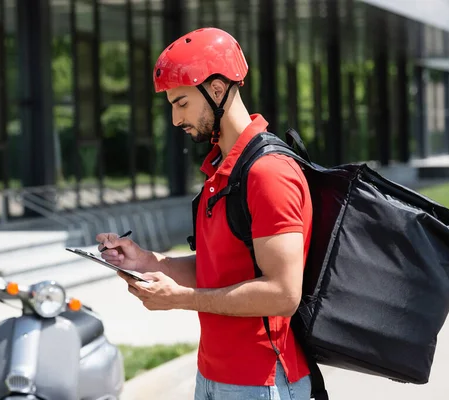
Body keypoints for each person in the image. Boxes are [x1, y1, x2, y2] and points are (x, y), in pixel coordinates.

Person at [96, 27, 313, 400]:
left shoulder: (268, 173)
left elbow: (282, 293)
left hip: (262, 383)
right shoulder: (222, 170)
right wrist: (149, 261)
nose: (176, 120)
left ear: (216, 90)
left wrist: (181, 298)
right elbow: (220, 271)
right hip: (212, 376)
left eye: (181, 103)